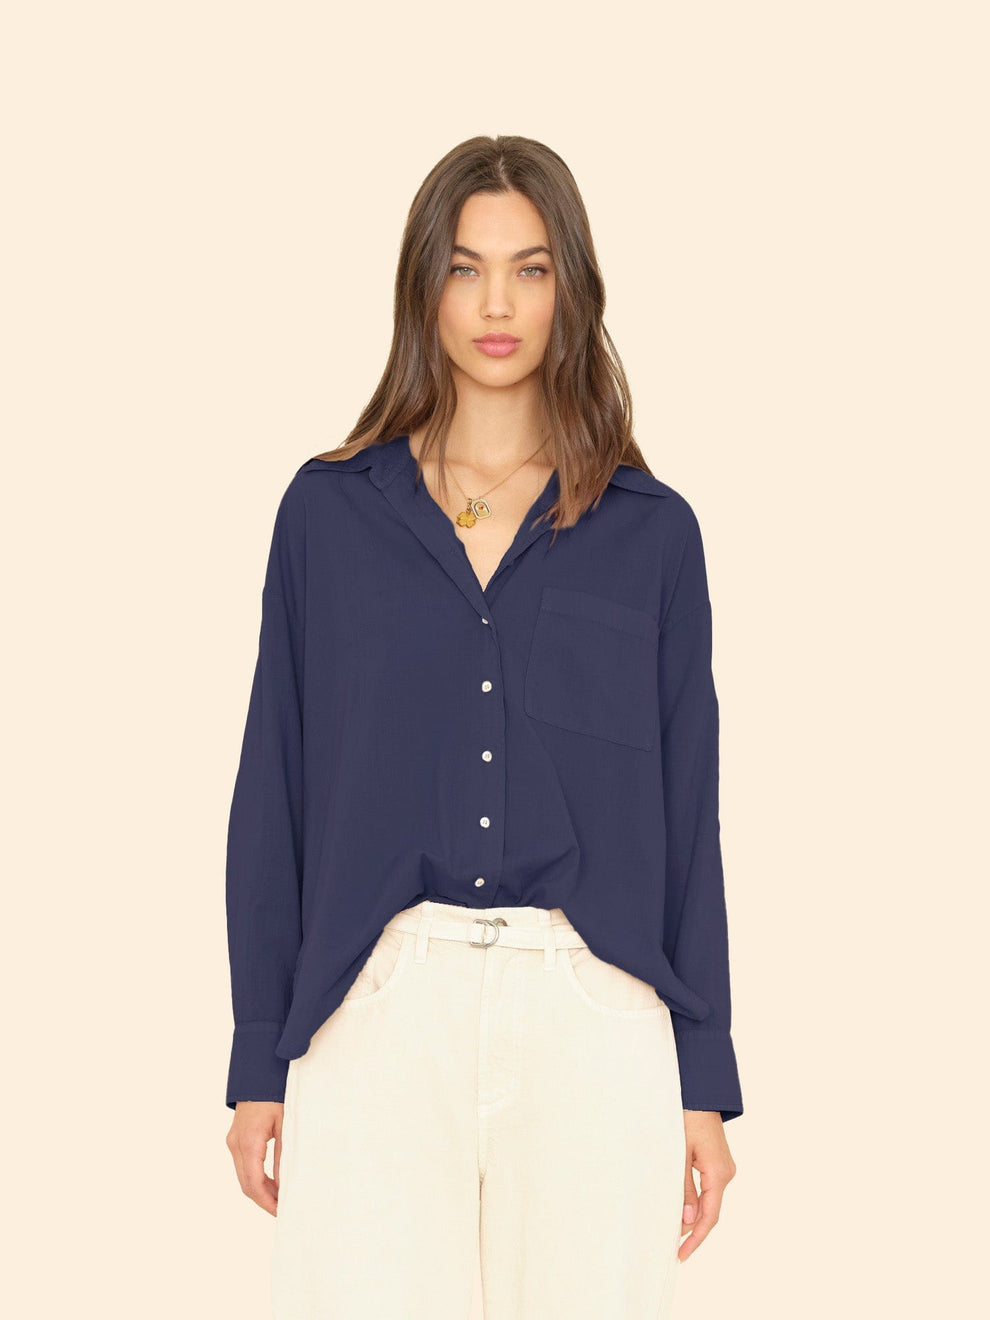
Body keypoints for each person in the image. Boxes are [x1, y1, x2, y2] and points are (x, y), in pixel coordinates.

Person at [223, 134, 743, 1319]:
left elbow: (687, 818)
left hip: (593, 1011)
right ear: (426, 286)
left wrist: (702, 1079)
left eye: (530, 268)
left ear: (572, 289)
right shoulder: (327, 516)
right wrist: (261, 1057)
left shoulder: (653, 535)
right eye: (466, 269)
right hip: (375, 1006)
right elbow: (275, 792)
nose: (497, 304)